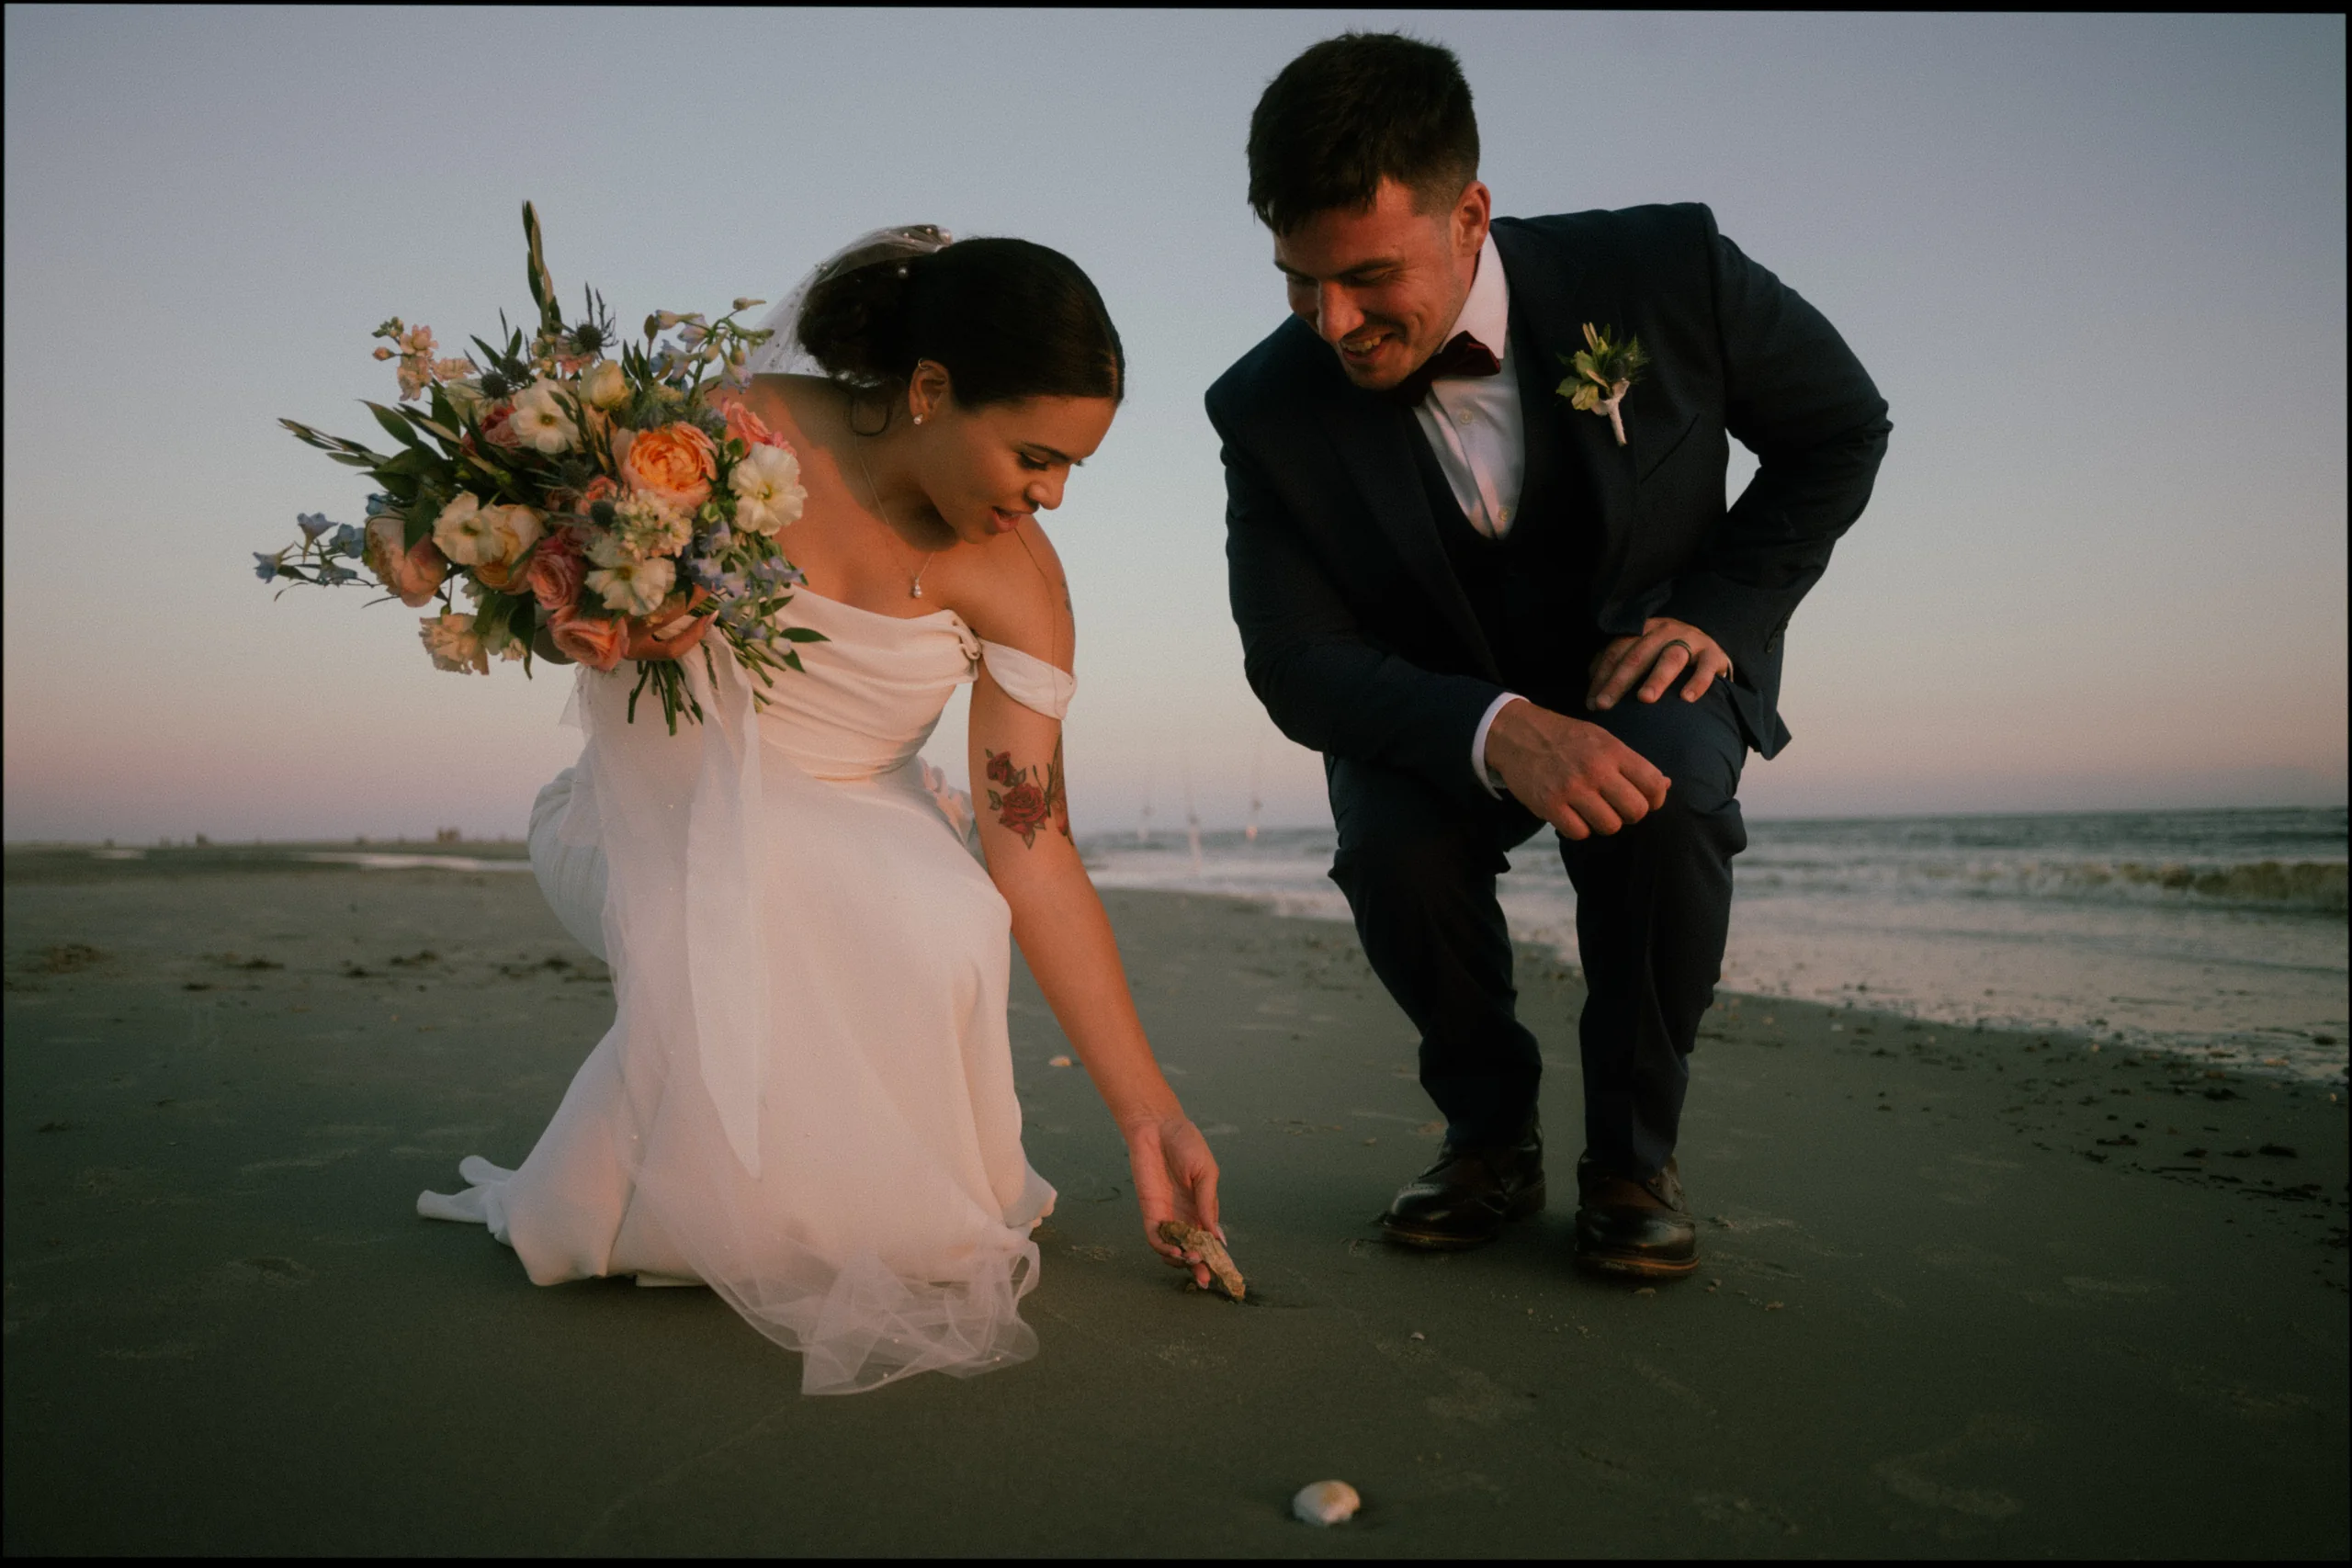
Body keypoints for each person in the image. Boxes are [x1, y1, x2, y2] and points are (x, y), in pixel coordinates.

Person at [421, 230, 1223, 1393]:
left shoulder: (1020, 582)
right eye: (1034, 457)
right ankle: (666, 1208)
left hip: (874, 819)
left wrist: (1149, 1118)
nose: (1049, 495)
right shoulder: (706, 442)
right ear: (931, 391)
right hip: (648, 808)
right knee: (776, 879)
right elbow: (561, 574)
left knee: (949, 918)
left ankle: (830, 1206)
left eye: (1072, 472)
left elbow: (1031, 843)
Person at [1209, 35, 1890, 1278]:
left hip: (1645, 667)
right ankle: (1487, 1134)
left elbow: (1840, 429)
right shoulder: (1262, 406)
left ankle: (1632, 1157)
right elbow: (1294, 658)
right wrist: (1490, 727)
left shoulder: (1662, 269)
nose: (1333, 323)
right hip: (1434, 697)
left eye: (1365, 277)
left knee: (1665, 796)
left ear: (1470, 214)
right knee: (1391, 850)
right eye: (1300, 283)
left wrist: (1724, 613)